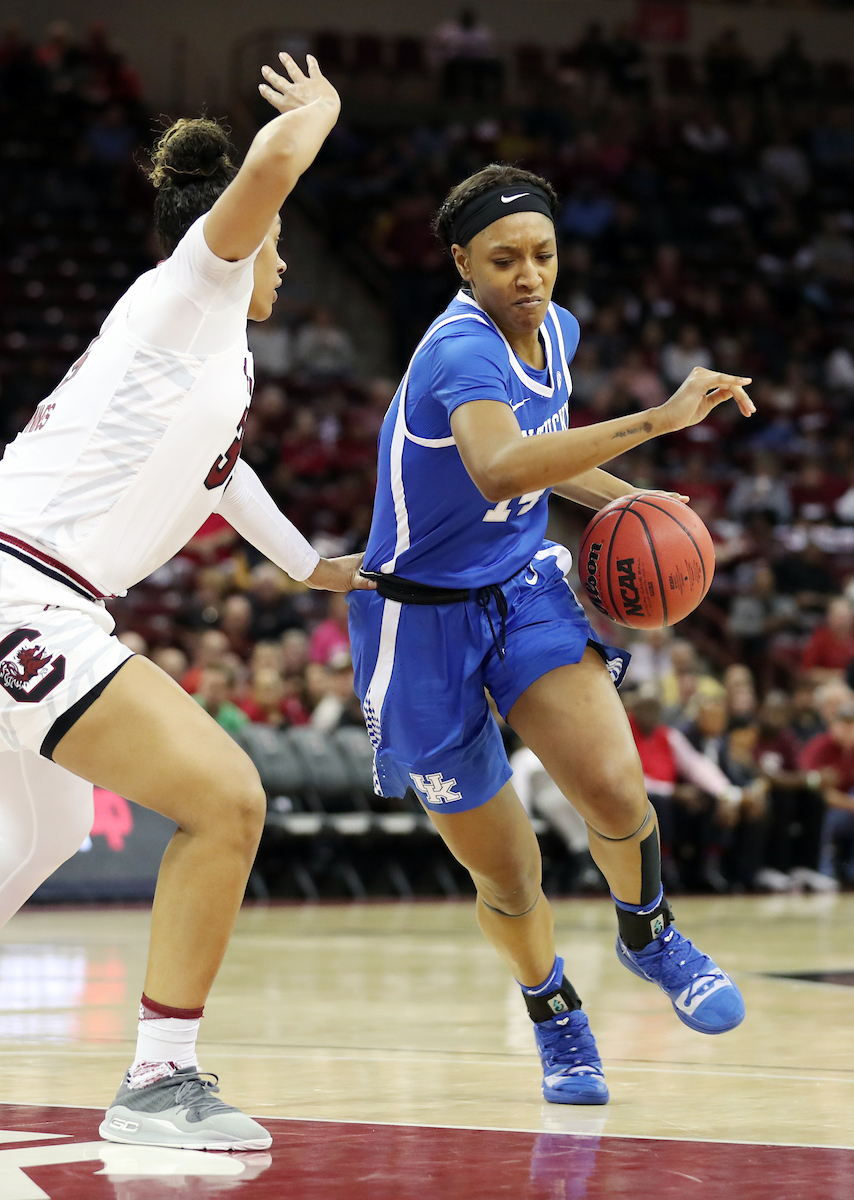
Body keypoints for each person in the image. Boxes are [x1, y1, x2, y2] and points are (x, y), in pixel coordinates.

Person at [0, 52, 372, 1149]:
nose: (281, 264)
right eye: (276, 246)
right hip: (23, 588)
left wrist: (314, 568)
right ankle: (159, 1080)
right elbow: (272, 166)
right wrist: (323, 111)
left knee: (51, 825)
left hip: (38, 589)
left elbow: (224, 478)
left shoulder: (206, 360)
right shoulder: (194, 287)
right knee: (226, 799)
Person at [348, 163, 754, 1107]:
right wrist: (656, 422)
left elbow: (545, 463)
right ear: (462, 263)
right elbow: (499, 467)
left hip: (521, 587)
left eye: (543, 254)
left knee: (614, 785)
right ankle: (553, 1009)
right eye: (504, 259)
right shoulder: (460, 352)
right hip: (418, 622)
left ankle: (649, 932)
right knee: (509, 873)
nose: (529, 275)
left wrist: (640, 505)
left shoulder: (556, 333)